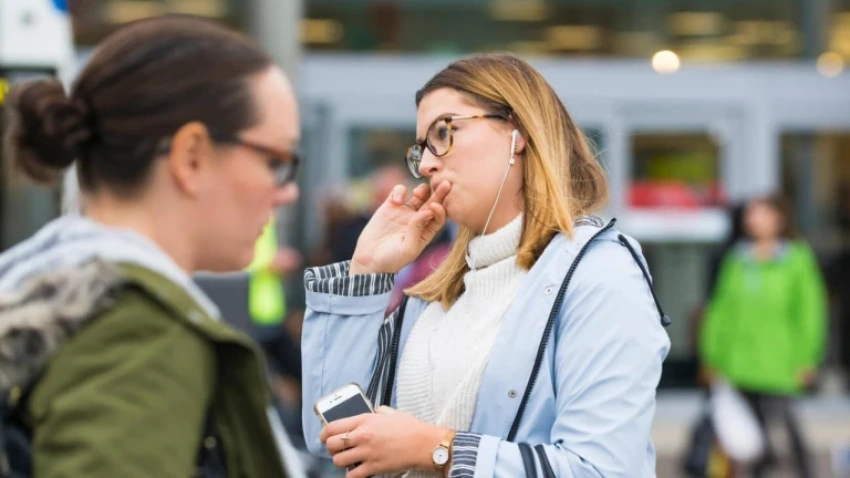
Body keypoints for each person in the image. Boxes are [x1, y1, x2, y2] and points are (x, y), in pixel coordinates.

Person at [301, 53, 671, 478]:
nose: (426, 165)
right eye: (420, 149)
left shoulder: (599, 274)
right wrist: (366, 269)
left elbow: (601, 470)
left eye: (444, 132)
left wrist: (436, 449)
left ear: (518, 132)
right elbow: (328, 436)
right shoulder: (437, 293)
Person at [0, 15, 300, 477]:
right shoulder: (138, 331)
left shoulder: (44, 280)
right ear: (191, 156)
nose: (288, 191)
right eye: (276, 161)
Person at [700, 194, 827, 478]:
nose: (753, 219)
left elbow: (810, 312)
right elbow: (720, 310)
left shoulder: (796, 259)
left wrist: (807, 358)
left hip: (779, 360)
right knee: (751, 435)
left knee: (788, 430)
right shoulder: (737, 259)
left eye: (760, 213)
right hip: (739, 361)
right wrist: (712, 356)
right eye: (750, 214)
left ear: (778, 218)